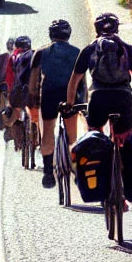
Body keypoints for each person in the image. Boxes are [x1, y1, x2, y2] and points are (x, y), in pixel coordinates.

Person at [66, 12, 132, 137]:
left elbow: (74, 80)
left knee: (95, 135)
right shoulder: (128, 48)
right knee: (125, 138)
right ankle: (121, 150)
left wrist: (70, 104)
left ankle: (99, 152)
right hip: (123, 96)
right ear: (117, 28)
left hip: (98, 97)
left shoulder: (89, 49)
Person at [29, 20, 83, 188]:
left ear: (51, 35)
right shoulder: (77, 52)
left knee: (48, 131)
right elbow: (82, 80)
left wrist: (33, 98)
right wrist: (82, 102)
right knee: (72, 135)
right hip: (70, 95)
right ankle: (75, 170)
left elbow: (33, 81)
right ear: (68, 35)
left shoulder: (40, 52)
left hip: (49, 94)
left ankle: (47, 172)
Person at [5, 35, 35, 146]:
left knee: (15, 110)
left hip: (18, 92)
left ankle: (17, 137)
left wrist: (9, 92)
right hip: (34, 92)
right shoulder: (35, 55)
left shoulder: (13, 57)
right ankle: (38, 138)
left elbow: (9, 78)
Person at [0, 37, 16, 136]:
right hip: (8, 86)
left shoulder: (3, 57)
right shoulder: (18, 56)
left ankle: (3, 114)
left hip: (6, 86)